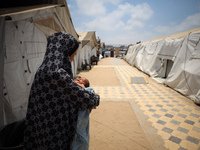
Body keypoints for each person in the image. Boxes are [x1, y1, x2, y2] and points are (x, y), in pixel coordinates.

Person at [23, 31, 100, 150]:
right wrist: (93, 94)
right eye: (73, 55)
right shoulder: (57, 74)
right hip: (54, 134)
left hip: (41, 129)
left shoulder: (43, 70)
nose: (73, 60)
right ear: (64, 53)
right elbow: (88, 99)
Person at [72, 77, 95, 150]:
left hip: (79, 120)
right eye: (79, 78)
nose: (79, 79)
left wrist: (82, 89)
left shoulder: (87, 90)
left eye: (82, 80)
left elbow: (91, 104)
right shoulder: (69, 85)